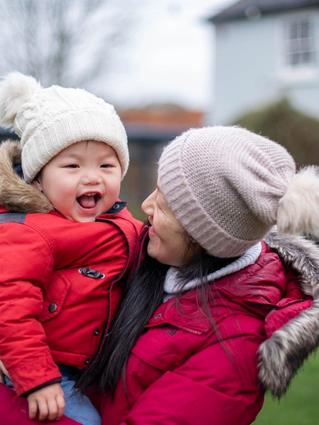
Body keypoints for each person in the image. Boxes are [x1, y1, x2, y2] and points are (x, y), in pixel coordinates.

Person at [1, 126, 319, 425]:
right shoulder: (142, 253)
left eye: (164, 206)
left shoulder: (234, 350)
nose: (146, 205)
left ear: (202, 234)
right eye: (155, 188)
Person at [0, 72, 143, 425]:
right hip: (42, 367)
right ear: (37, 178)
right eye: (72, 165)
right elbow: (9, 305)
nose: (93, 177)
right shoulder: (27, 231)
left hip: (91, 369)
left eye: (106, 165)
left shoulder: (121, 224)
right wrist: (36, 378)